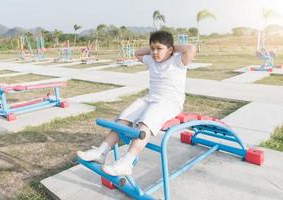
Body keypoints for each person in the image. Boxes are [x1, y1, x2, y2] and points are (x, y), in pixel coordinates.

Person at [77, 31, 196, 176]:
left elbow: (191, 49)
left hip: (170, 102)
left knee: (144, 124)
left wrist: (171, 47)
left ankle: (127, 163)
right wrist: (157, 47)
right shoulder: (152, 60)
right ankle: (101, 152)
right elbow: (137, 52)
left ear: (170, 49)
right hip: (151, 98)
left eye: (159, 49)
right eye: (152, 49)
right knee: (123, 119)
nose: (154, 52)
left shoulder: (177, 61)